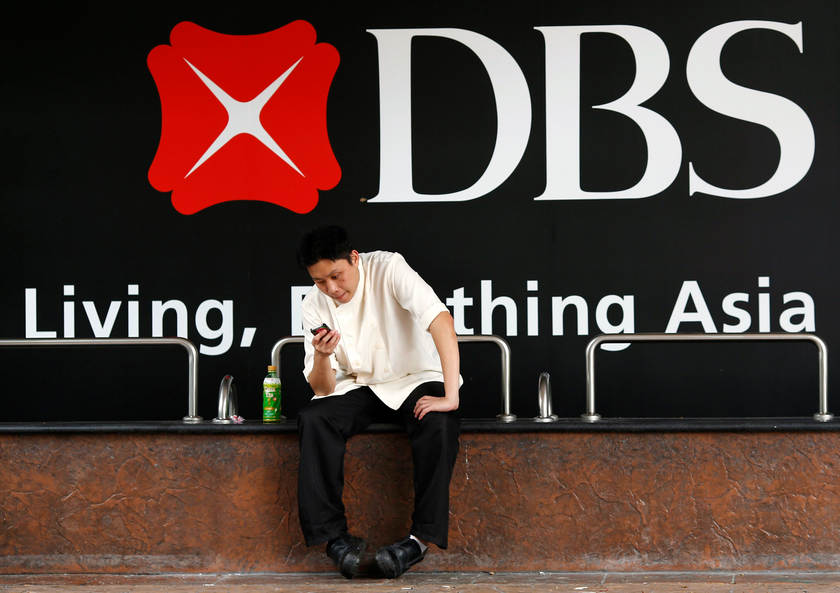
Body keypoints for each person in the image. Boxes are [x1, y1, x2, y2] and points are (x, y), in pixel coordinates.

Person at [295, 225, 461, 579]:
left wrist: (450, 395)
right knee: (315, 418)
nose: (332, 289)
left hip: (416, 375)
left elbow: (440, 320)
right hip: (362, 384)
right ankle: (334, 540)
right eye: (321, 281)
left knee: (438, 423)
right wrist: (322, 357)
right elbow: (322, 387)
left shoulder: (388, 268)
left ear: (354, 258)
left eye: (336, 276)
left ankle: (418, 541)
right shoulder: (313, 303)